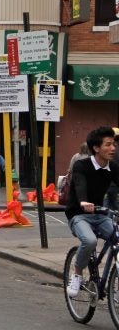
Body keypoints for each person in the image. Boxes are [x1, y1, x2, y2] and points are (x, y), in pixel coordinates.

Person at [66, 126, 119, 298]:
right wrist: (83, 201)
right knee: (89, 241)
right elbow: (80, 184)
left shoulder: (113, 167)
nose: (113, 148)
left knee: (117, 238)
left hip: (100, 214)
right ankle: (77, 274)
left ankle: (109, 279)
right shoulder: (82, 165)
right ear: (96, 148)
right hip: (79, 215)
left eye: (114, 144)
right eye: (108, 144)